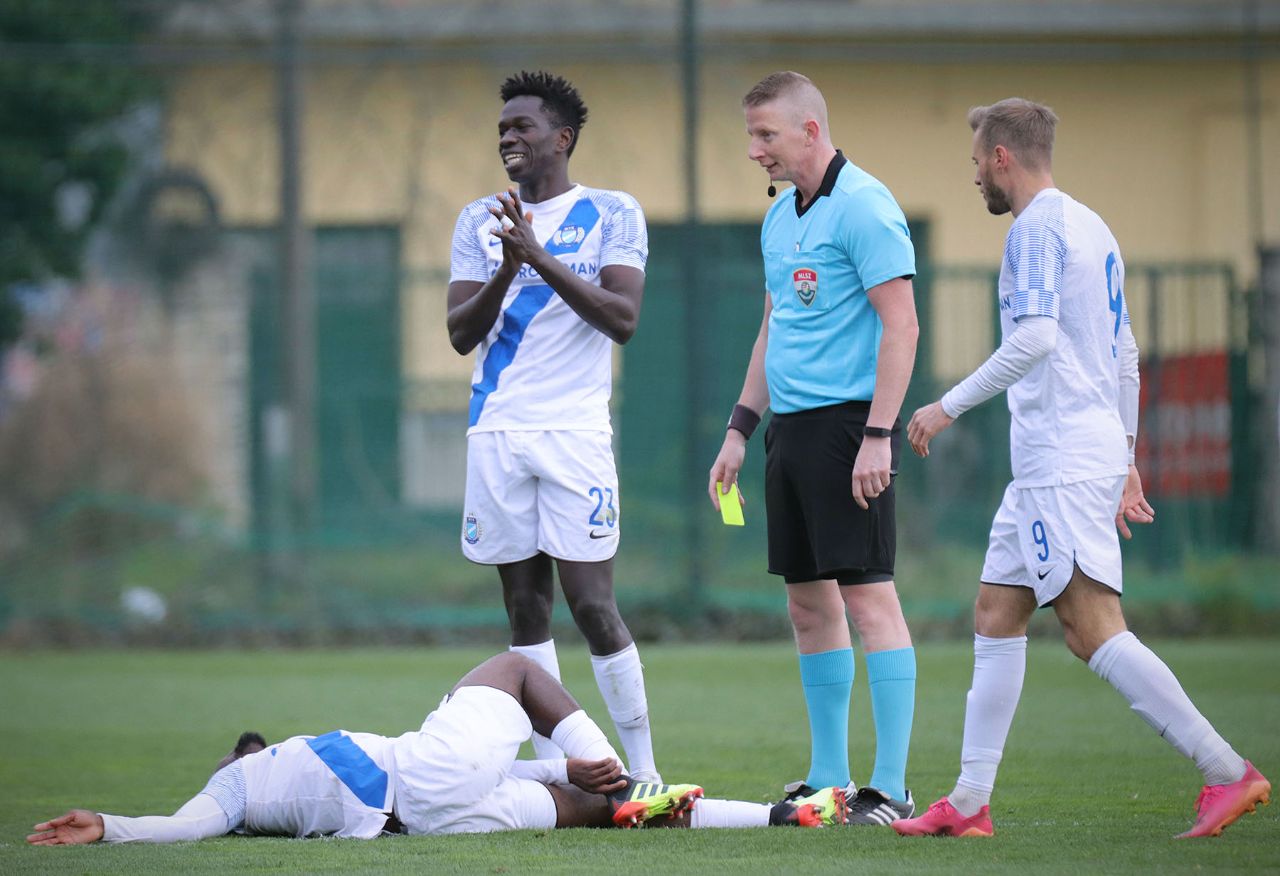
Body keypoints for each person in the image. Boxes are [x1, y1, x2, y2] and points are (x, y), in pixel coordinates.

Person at [894, 97, 1271, 839]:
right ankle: (969, 802)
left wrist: (947, 405)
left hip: (1061, 460)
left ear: (1002, 156)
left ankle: (1226, 769)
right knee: (996, 612)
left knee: (1091, 629)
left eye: (976, 162)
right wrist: (1126, 458)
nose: (975, 177)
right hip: (1064, 459)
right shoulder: (1093, 226)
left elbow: (1035, 337)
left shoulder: (1035, 229)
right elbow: (1125, 353)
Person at [708, 71, 920, 826]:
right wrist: (740, 429)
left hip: (849, 430)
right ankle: (829, 777)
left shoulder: (864, 205)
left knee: (868, 600)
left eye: (765, 134)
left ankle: (889, 788)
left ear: (809, 129)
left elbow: (902, 325)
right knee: (807, 605)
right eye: (751, 135)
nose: (755, 150)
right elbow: (775, 329)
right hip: (790, 434)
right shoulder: (778, 219)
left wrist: (878, 436)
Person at [27, 653, 850, 845]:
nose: (231, 759)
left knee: (605, 813)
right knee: (517, 669)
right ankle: (621, 767)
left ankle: (780, 817)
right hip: (421, 775)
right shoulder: (236, 790)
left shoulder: (257, 777)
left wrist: (560, 768)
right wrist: (109, 825)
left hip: (431, 814)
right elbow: (185, 825)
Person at [445, 71, 659, 781]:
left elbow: (622, 319)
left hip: (574, 434)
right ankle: (561, 776)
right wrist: (508, 267)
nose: (508, 137)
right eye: (502, 128)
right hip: (497, 432)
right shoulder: (479, 219)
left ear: (562, 138)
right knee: (525, 608)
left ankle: (644, 771)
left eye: (523, 127)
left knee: (593, 605)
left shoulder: (613, 212)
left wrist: (538, 256)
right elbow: (460, 333)